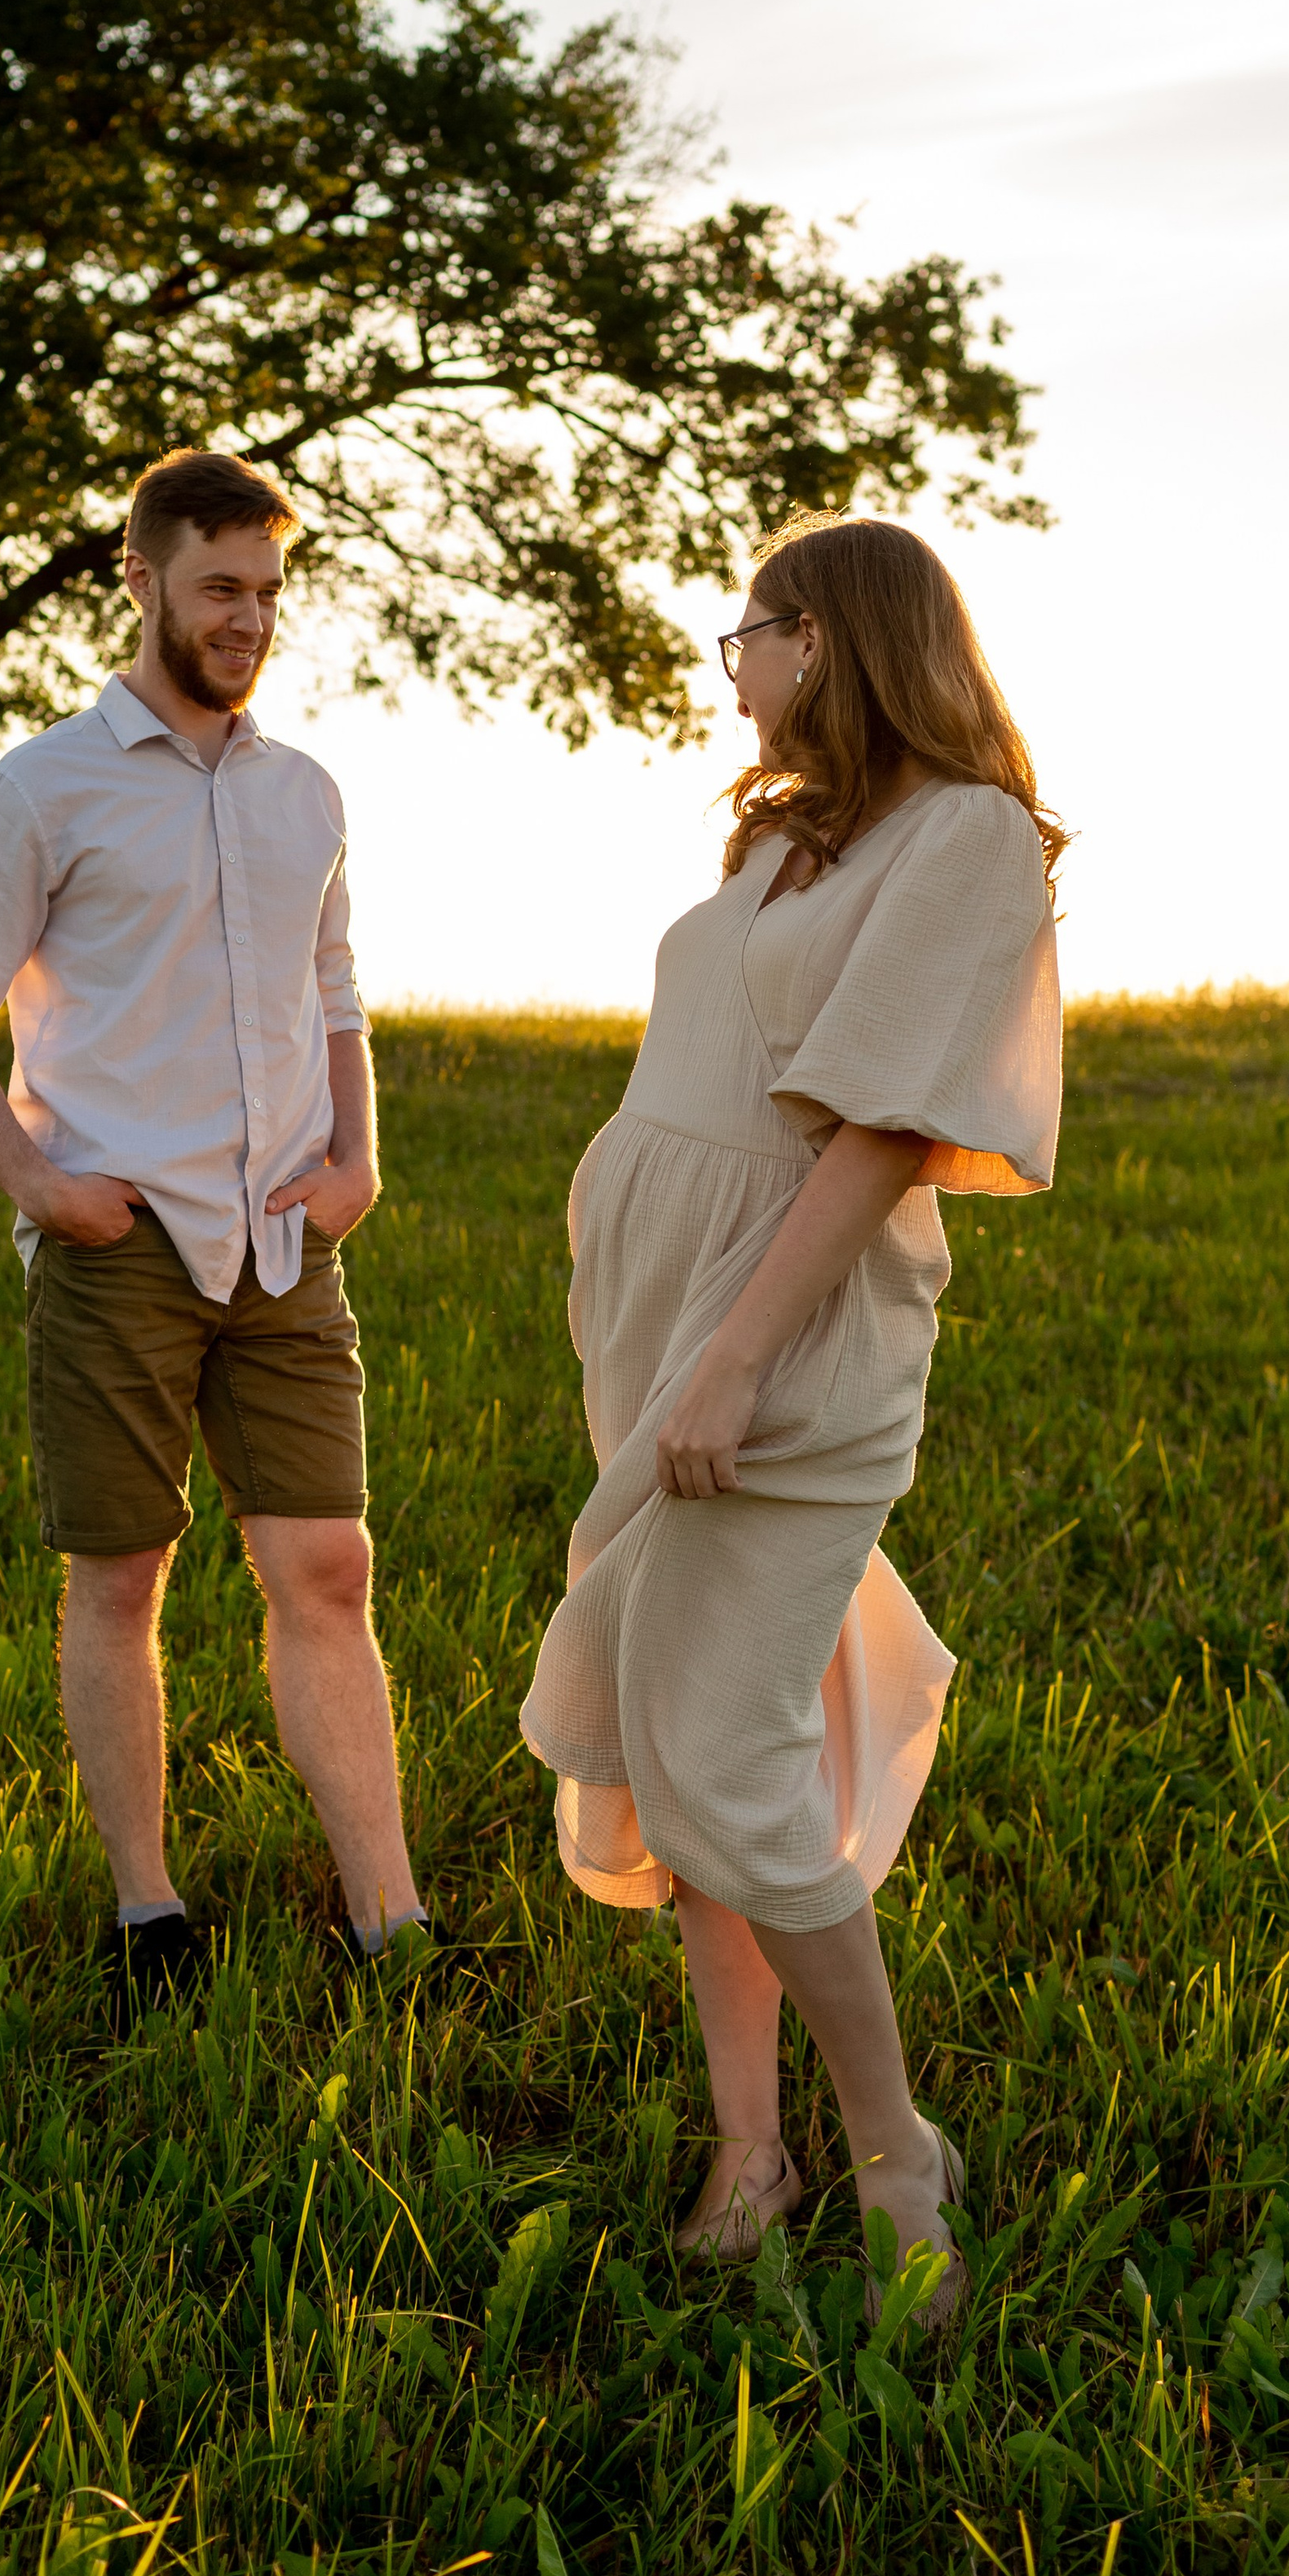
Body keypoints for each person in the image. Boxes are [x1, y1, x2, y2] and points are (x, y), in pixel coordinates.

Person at [519, 513, 1063, 2310]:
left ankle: (897, 2152)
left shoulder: (963, 837)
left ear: (824, 638)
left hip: (779, 1340)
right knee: (683, 1767)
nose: (726, 668)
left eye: (746, 634)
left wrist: (734, 1356)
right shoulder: (791, 835)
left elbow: (888, 1122)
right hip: (668, 1316)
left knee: (734, 1771)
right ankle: (750, 2147)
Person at [0, 446, 429, 2018]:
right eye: (218, 590)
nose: (248, 620)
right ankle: (148, 1914)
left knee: (328, 1568)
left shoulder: (304, 791)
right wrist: (42, 1188)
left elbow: (336, 992)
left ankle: (388, 1920)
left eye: (267, 594)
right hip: (117, 1243)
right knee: (122, 1580)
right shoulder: (38, 788)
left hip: (285, 1248)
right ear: (142, 580)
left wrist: (359, 1161)